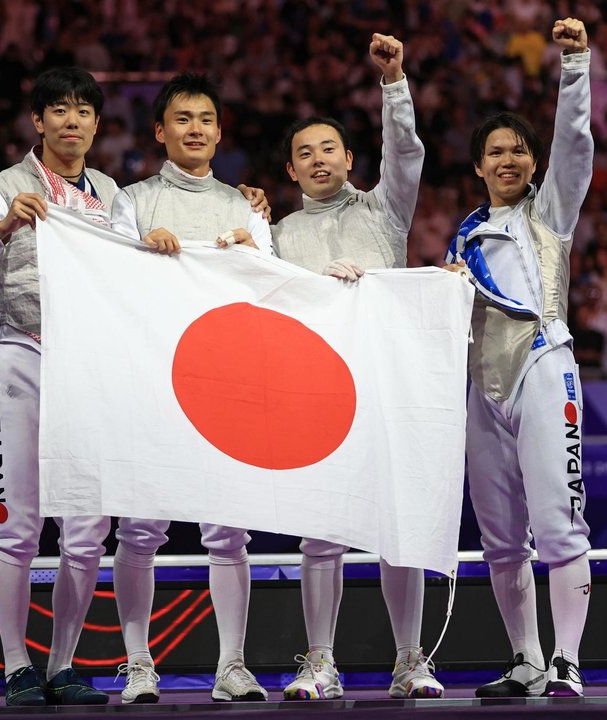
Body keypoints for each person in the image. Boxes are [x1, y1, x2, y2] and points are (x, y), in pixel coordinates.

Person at [0, 67, 115, 707]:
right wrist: (4, 226)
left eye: (83, 110)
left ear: (96, 122)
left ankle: (63, 665)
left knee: (89, 531)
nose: (71, 120)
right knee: (19, 527)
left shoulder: (112, 195)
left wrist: (246, 209)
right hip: (22, 359)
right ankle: (16, 666)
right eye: (58, 109)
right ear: (37, 121)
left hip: (90, 370)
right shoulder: (0, 188)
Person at [273, 33, 443, 702]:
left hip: (390, 387)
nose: (318, 160)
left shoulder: (385, 208)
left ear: (349, 159)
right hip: (318, 395)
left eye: (328, 150)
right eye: (304, 154)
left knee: (401, 529)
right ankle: (320, 662)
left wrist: (394, 83)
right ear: (291, 171)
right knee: (322, 534)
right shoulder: (280, 234)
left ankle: (410, 659)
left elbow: (405, 152)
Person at [110, 72, 272, 705]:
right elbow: (110, 274)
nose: (196, 128)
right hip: (151, 378)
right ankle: (137, 663)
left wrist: (250, 248)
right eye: (182, 119)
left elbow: (271, 287)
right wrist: (139, 250)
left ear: (219, 131)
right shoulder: (132, 200)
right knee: (140, 529)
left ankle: (232, 665)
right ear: (160, 131)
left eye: (205, 118)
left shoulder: (244, 207)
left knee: (229, 531)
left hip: (224, 381)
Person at [444, 17, 593, 698]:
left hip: (541, 367)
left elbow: (575, 144)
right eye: (494, 152)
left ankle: (568, 658)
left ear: (533, 163)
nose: (508, 160)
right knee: (501, 540)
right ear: (478, 166)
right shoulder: (465, 234)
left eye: (518, 151)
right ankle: (527, 660)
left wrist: (574, 66)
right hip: (483, 388)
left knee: (559, 521)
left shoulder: (551, 210)